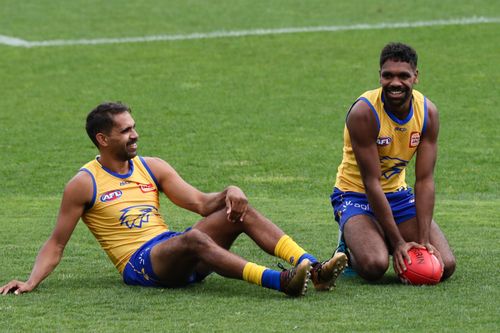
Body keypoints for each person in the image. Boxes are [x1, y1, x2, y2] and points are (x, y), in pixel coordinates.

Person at [1, 102, 347, 297]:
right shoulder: (83, 184)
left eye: (134, 126)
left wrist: (230, 192)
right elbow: (56, 243)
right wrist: (31, 281)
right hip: (141, 264)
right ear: (103, 139)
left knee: (237, 213)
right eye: (125, 130)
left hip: (173, 247)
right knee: (194, 237)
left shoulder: (151, 167)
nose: (135, 134)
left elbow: (201, 203)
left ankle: (314, 269)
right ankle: (279, 281)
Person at [331, 42, 456, 282]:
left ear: (415, 77)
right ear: (380, 77)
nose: (395, 83)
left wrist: (423, 241)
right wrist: (398, 242)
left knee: (445, 265)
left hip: (398, 196)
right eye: (388, 76)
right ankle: (347, 246)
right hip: (356, 195)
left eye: (403, 76)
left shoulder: (427, 113)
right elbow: (371, 182)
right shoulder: (364, 113)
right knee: (375, 265)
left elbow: (424, 180)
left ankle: (379, 236)